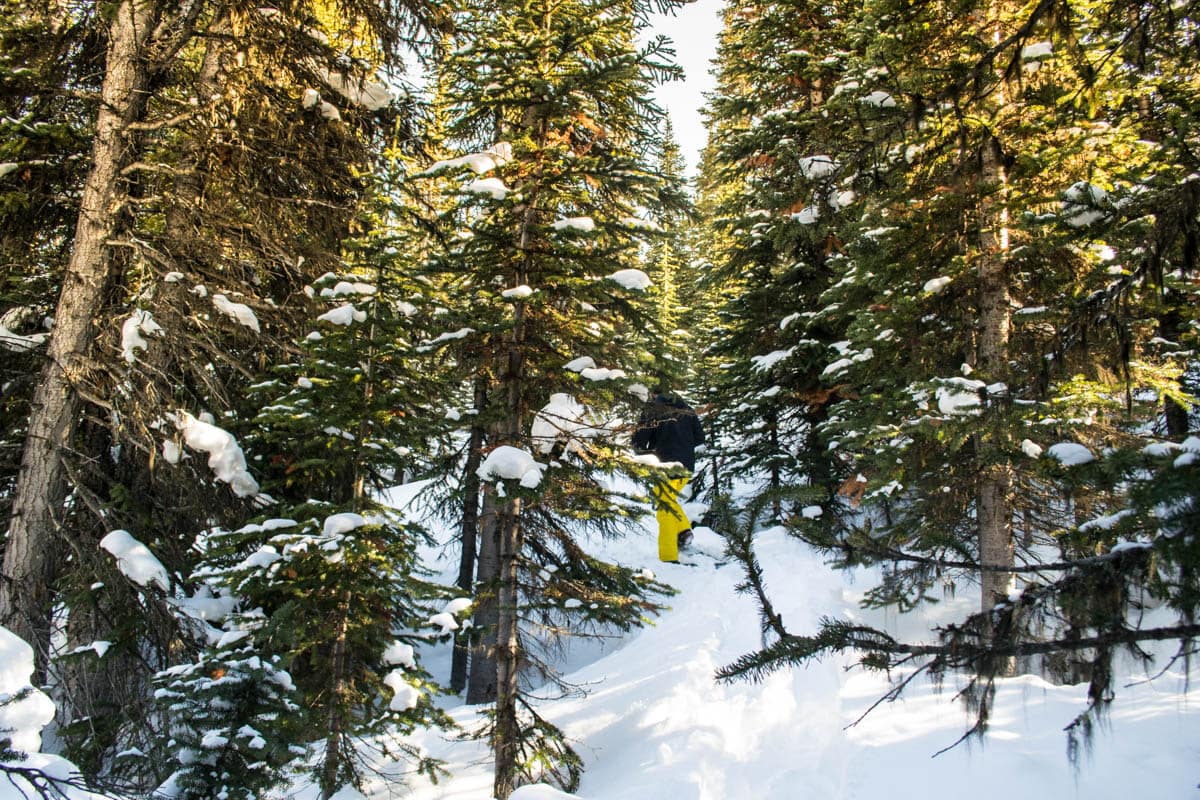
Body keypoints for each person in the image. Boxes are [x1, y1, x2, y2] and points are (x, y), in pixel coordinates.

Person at [632, 392, 705, 562]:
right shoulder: (687, 409)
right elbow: (699, 438)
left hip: (664, 466)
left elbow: (639, 443)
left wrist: (651, 453)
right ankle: (683, 531)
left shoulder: (652, 410)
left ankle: (668, 555)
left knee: (664, 507)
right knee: (668, 501)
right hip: (686, 466)